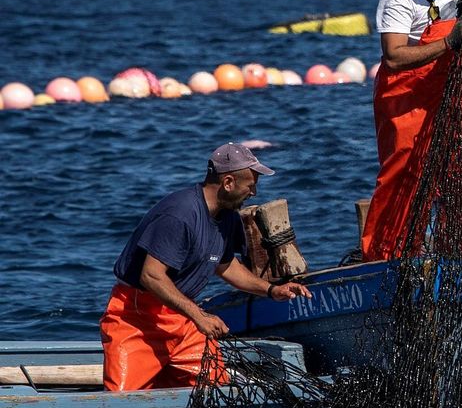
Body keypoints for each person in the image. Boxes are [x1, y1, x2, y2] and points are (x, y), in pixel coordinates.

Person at [101, 144, 311, 391]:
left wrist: (271, 291)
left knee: (217, 390)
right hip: (138, 319)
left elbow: (226, 265)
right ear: (228, 182)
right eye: (251, 185)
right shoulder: (180, 214)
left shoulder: (228, 217)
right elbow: (151, 276)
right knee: (122, 401)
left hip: (183, 319)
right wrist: (199, 316)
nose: (253, 192)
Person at [365, 0, 462, 260]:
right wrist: (449, 43)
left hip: (451, 90)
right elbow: (394, 57)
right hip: (406, 96)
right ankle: (386, 257)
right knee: (403, 176)